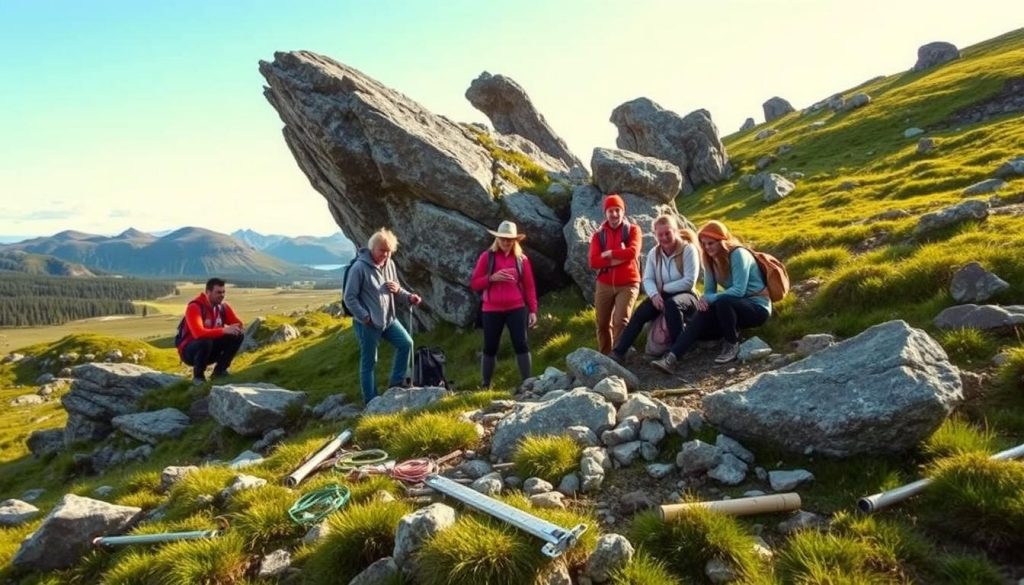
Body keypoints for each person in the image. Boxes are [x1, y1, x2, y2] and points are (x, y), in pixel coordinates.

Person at [651, 220, 772, 372]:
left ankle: (731, 344)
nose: (707, 247)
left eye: (711, 243)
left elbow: (739, 290)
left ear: (722, 240)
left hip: (757, 307)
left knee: (723, 301)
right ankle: (672, 358)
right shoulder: (709, 258)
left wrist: (710, 298)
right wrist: (705, 301)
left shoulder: (738, 254)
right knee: (704, 313)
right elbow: (708, 290)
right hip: (734, 308)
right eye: (704, 244)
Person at [344, 228, 422, 403]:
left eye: (389, 252)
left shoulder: (390, 265)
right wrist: (364, 316)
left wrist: (408, 296)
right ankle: (371, 401)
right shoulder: (359, 268)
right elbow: (349, 297)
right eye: (382, 251)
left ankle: (395, 385)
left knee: (406, 343)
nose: (385, 255)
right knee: (370, 362)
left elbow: (395, 288)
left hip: (388, 319)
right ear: (373, 248)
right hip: (367, 324)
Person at [610, 215, 701, 362]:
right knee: (640, 313)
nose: (664, 238)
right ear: (655, 234)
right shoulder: (654, 253)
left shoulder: (688, 250)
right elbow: (647, 279)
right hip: (661, 294)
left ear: (675, 231)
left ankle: (678, 350)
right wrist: (653, 295)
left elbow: (689, 281)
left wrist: (664, 288)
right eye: (660, 234)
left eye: (668, 233)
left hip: (687, 296)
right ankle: (619, 352)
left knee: (672, 305)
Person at [469, 221, 539, 388]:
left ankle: (527, 383)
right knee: (490, 346)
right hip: (491, 309)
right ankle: (485, 385)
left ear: (515, 240)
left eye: (510, 239)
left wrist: (533, 311)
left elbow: (529, 286)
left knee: (521, 344)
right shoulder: (487, 257)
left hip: (516, 308)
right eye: (503, 239)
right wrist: (492, 278)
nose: (506, 242)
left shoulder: (522, 260)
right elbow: (474, 283)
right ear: (497, 239)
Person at [588, 193, 643, 355]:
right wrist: (618, 258)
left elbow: (632, 252)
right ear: (605, 213)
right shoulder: (598, 235)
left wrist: (609, 253)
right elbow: (593, 262)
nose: (614, 214)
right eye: (610, 210)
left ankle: (619, 355)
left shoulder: (633, 230)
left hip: (628, 283)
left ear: (623, 211)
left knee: (620, 321)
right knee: (602, 323)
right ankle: (605, 355)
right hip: (604, 283)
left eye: (617, 210)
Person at [177, 277, 244, 385]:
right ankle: (198, 377)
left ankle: (220, 371)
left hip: (210, 350)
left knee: (238, 335)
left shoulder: (222, 307)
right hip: (190, 353)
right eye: (218, 292)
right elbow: (198, 333)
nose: (222, 295)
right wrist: (223, 330)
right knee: (205, 340)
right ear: (208, 292)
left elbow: (239, 325)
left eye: (223, 292)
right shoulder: (195, 307)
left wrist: (233, 329)